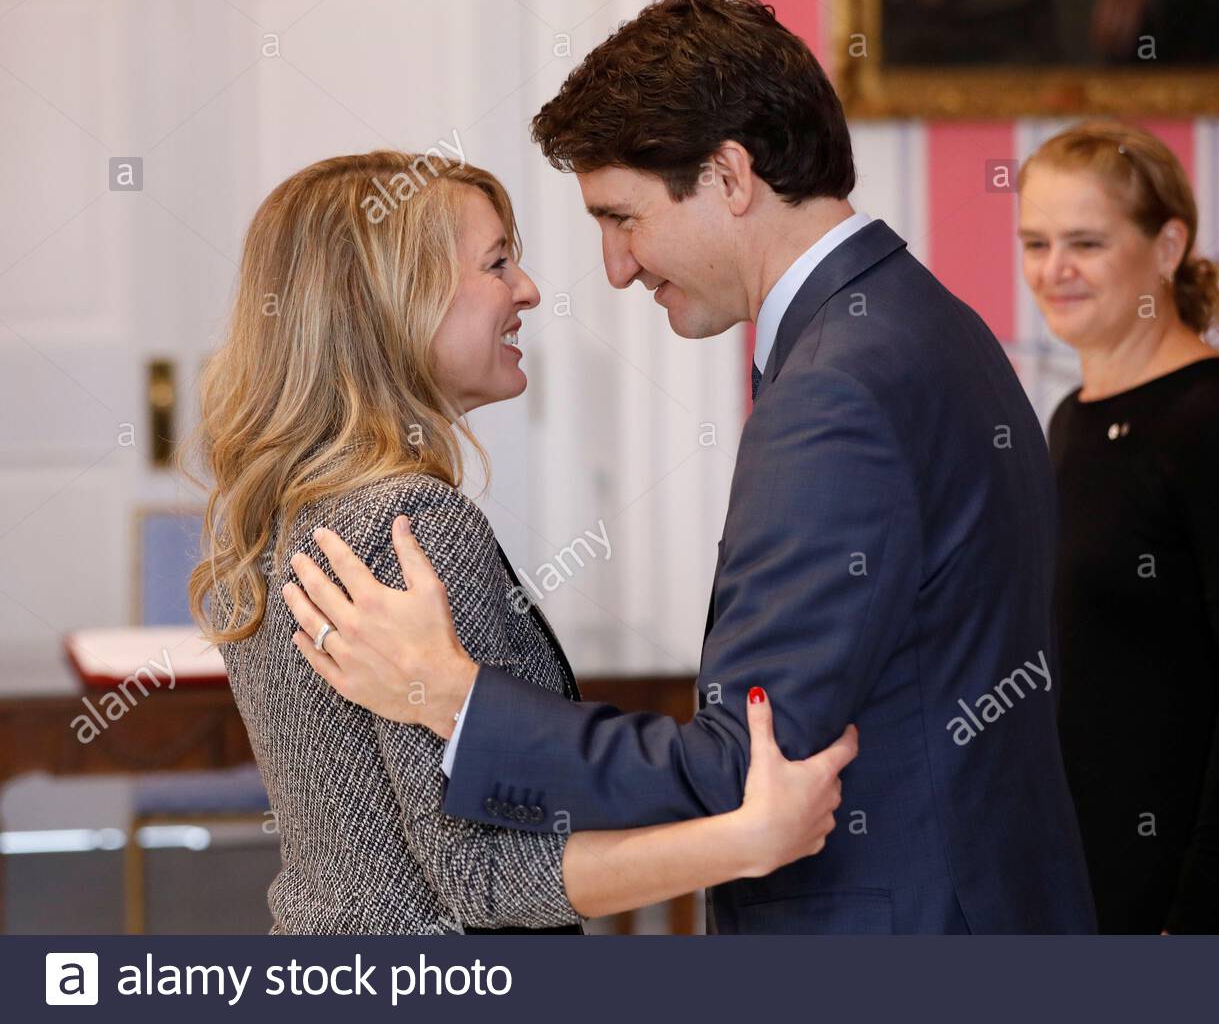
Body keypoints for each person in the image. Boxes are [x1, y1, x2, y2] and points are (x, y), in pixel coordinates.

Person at [286, 0, 1095, 934]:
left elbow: (740, 765)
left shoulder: (838, 385)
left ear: (729, 175)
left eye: (622, 217)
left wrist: (454, 697)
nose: (617, 267)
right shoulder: (928, 322)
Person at [185, 151, 857, 935]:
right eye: (498, 262)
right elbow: (482, 876)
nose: (529, 290)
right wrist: (746, 841)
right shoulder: (411, 525)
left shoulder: (275, 514)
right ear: (388, 299)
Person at [1017, 120, 1219, 932]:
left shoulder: (1218, 416)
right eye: (1034, 242)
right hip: (1090, 877)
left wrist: (1196, 914)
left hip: (1205, 900)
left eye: (1085, 243)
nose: (1052, 269)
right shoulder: (1070, 419)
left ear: (1167, 245)